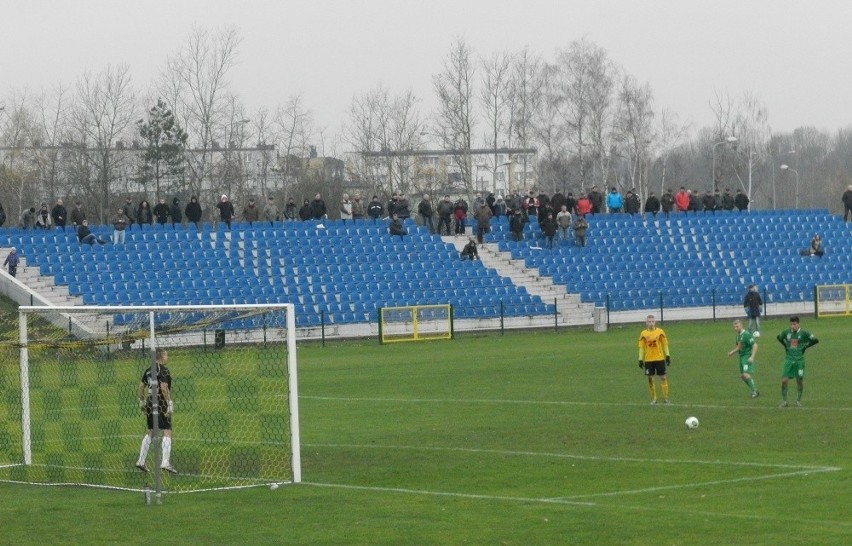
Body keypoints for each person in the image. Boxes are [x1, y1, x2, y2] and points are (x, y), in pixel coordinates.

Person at [135, 348, 177, 474]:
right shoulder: (163, 370)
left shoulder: (148, 370)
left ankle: (141, 461)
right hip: (160, 402)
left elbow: (141, 387)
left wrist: (142, 402)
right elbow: (164, 388)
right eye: (166, 355)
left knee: (151, 431)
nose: (167, 357)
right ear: (162, 356)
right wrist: (169, 403)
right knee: (167, 431)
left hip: (149, 402)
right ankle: (165, 462)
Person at [776, 316, 819, 407]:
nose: (793, 326)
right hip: (788, 359)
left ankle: (798, 400)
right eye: (791, 324)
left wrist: (805, 347)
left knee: (799, 380)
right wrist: (785, 346)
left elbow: (815, 340)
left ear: (798, 324)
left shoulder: (804, 333)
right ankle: (784, 401)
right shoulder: (786, 332)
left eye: (794, 324)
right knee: (784, 380)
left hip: (799, 360)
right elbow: (779, 337)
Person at [638, 314, 671, 404]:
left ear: (655, 322)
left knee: (663, 377)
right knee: (650, 379)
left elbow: (664, 344)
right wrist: (640, 359)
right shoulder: (643, 334)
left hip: (659, 358)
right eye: (649, 321)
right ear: (646, 323)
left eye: (652, 321)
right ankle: (654, 399)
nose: (651, 323)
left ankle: (665, 398)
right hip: (648, 360)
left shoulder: (660, 332)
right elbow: (641, 347)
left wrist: (667, 355)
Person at [727, 319, 760, 398]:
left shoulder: (746, 334)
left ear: (741, 325)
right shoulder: (738, 335)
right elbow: (739, 347)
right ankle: (754, 389)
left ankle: (754, 391)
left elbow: (755, 345)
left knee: (745, 374)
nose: (736, 328)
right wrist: (732, 352)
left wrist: (752, 357)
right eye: (734, 327)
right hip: (741, 357)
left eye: (737, 326)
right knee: (742, 376)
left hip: (747, 356)